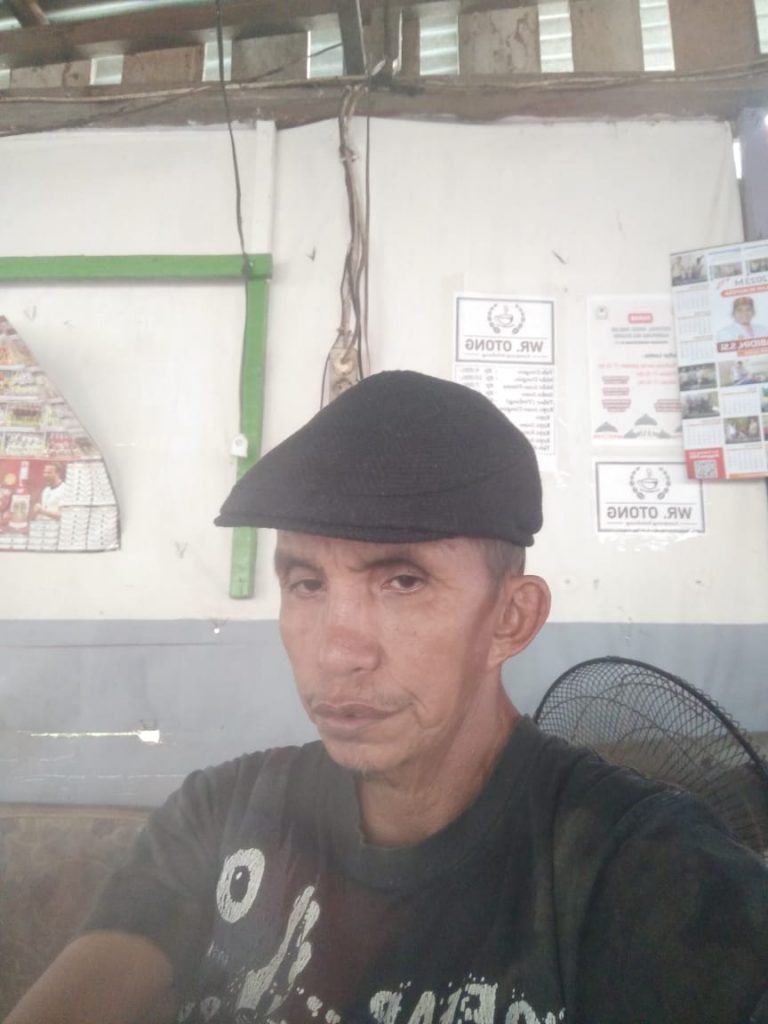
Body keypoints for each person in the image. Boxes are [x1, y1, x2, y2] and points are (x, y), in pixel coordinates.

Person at [5, 371, 767, 1024]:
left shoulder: (640, 871)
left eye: (402, 582)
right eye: (307, 583)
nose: (338, 651)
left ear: (510, 618)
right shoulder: (220, 815)